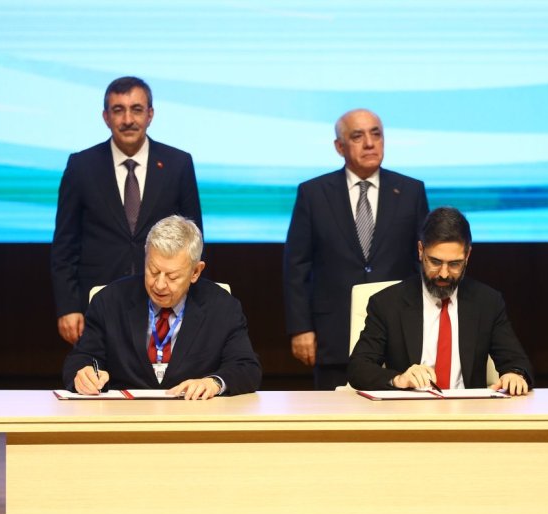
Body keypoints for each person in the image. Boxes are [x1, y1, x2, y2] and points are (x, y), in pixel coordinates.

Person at [283, 109, 429, 390]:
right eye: (357, 136)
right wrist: (301, 328)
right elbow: (296, 266)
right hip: (334, 334)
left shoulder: (410, 191)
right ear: (339, 147)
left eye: (376, 134)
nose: (370, 143)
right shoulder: (313, 193)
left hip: (398, 332)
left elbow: (421, 262)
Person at [51, 76, 202, 345]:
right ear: (106, 117)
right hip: (98, 302)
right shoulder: (81, 165)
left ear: (150, 114)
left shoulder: (178, 163)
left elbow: (194, 239)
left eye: (136, 109)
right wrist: (68, 306)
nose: (128, 119)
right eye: (118, 110)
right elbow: (65, 243)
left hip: (164, 300)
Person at [63, 216, 260, 399]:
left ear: (195, 272)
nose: (159, 285)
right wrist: (85, 374)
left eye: (172, 276)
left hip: (193, 417)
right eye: (153, 271)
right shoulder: (109, 301)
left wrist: (215, 382)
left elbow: (246, 367)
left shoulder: (222, 307)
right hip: (124, 418)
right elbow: (81, 359)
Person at [347, 207, 533, 395]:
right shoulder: (387, 303)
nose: (444, 274)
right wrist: (399, 379)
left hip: (470, 413)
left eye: (454, 264)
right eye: (435, 262)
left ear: (467, 256)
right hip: (408, 412)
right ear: (421, 251)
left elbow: (517, 362)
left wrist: (514, 374)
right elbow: (358, 368)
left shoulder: (487, 302)